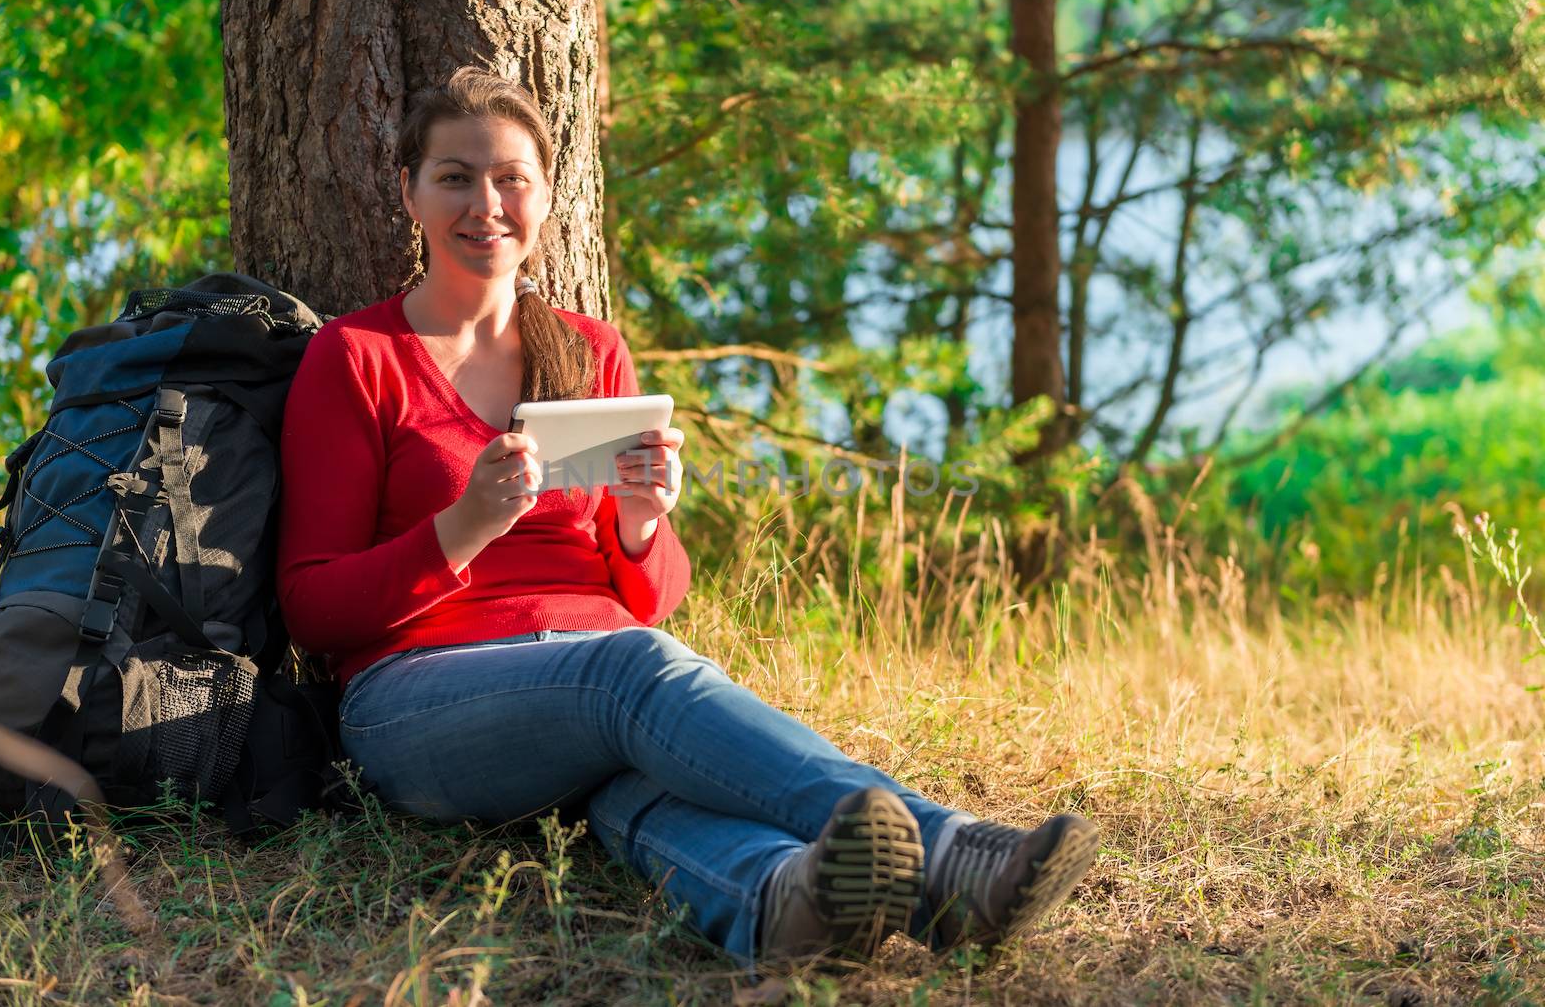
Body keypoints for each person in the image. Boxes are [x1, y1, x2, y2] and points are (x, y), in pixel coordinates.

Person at [275, 66, 1098, 967]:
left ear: (548, 194)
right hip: (417, 701)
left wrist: (640, 522)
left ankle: (785, 902)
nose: (487, 203)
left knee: (637, 775)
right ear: (410, 191)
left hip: (587, 684)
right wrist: (464, 525)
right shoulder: (355, 357)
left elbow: (650, 597)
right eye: (455, 176)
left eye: (512, 177)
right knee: (630, 675)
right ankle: (948, 856)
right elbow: (315, 611)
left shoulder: (591, 350)